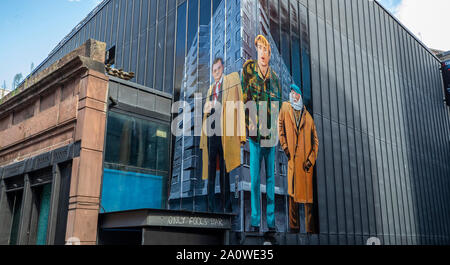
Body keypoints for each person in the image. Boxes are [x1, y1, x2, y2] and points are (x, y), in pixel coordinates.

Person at [242, 35, 281, 232]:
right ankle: (256, 221)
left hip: (271, 137)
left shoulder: (275, 79)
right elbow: (244, 100)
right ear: (256, 50)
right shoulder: (249, 74)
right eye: (260, 48)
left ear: (269, 53)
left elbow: (279, 107)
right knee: (255, 180)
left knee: (271, 180)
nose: (263, 53)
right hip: (255, 137)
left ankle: (272, 223)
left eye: (266, 49)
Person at [200, 58, 246, 213]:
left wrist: (241, 135)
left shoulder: (230, 81)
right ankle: (211, 207)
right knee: (211, 171)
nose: (216, 72)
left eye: (218, 68)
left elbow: (239, 107)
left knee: (225, 172)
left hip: (225, 135)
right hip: (211, 135)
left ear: (223, 68)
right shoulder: (210, 90)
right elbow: (205, 117)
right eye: (214, 70)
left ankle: (226, 206)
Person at [278, 84, 319, 233]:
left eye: (294, 92)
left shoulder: (308, 117)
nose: (291, 94)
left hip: (305, 165)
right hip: (293, 162)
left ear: (299, 95)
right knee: (292, 197)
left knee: (308, 201)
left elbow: (316, 142)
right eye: (290, 92)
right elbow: (280, 128)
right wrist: (285, 148)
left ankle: (310, 231)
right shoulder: (284, 108)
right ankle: (294, 229)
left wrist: (310, 160)